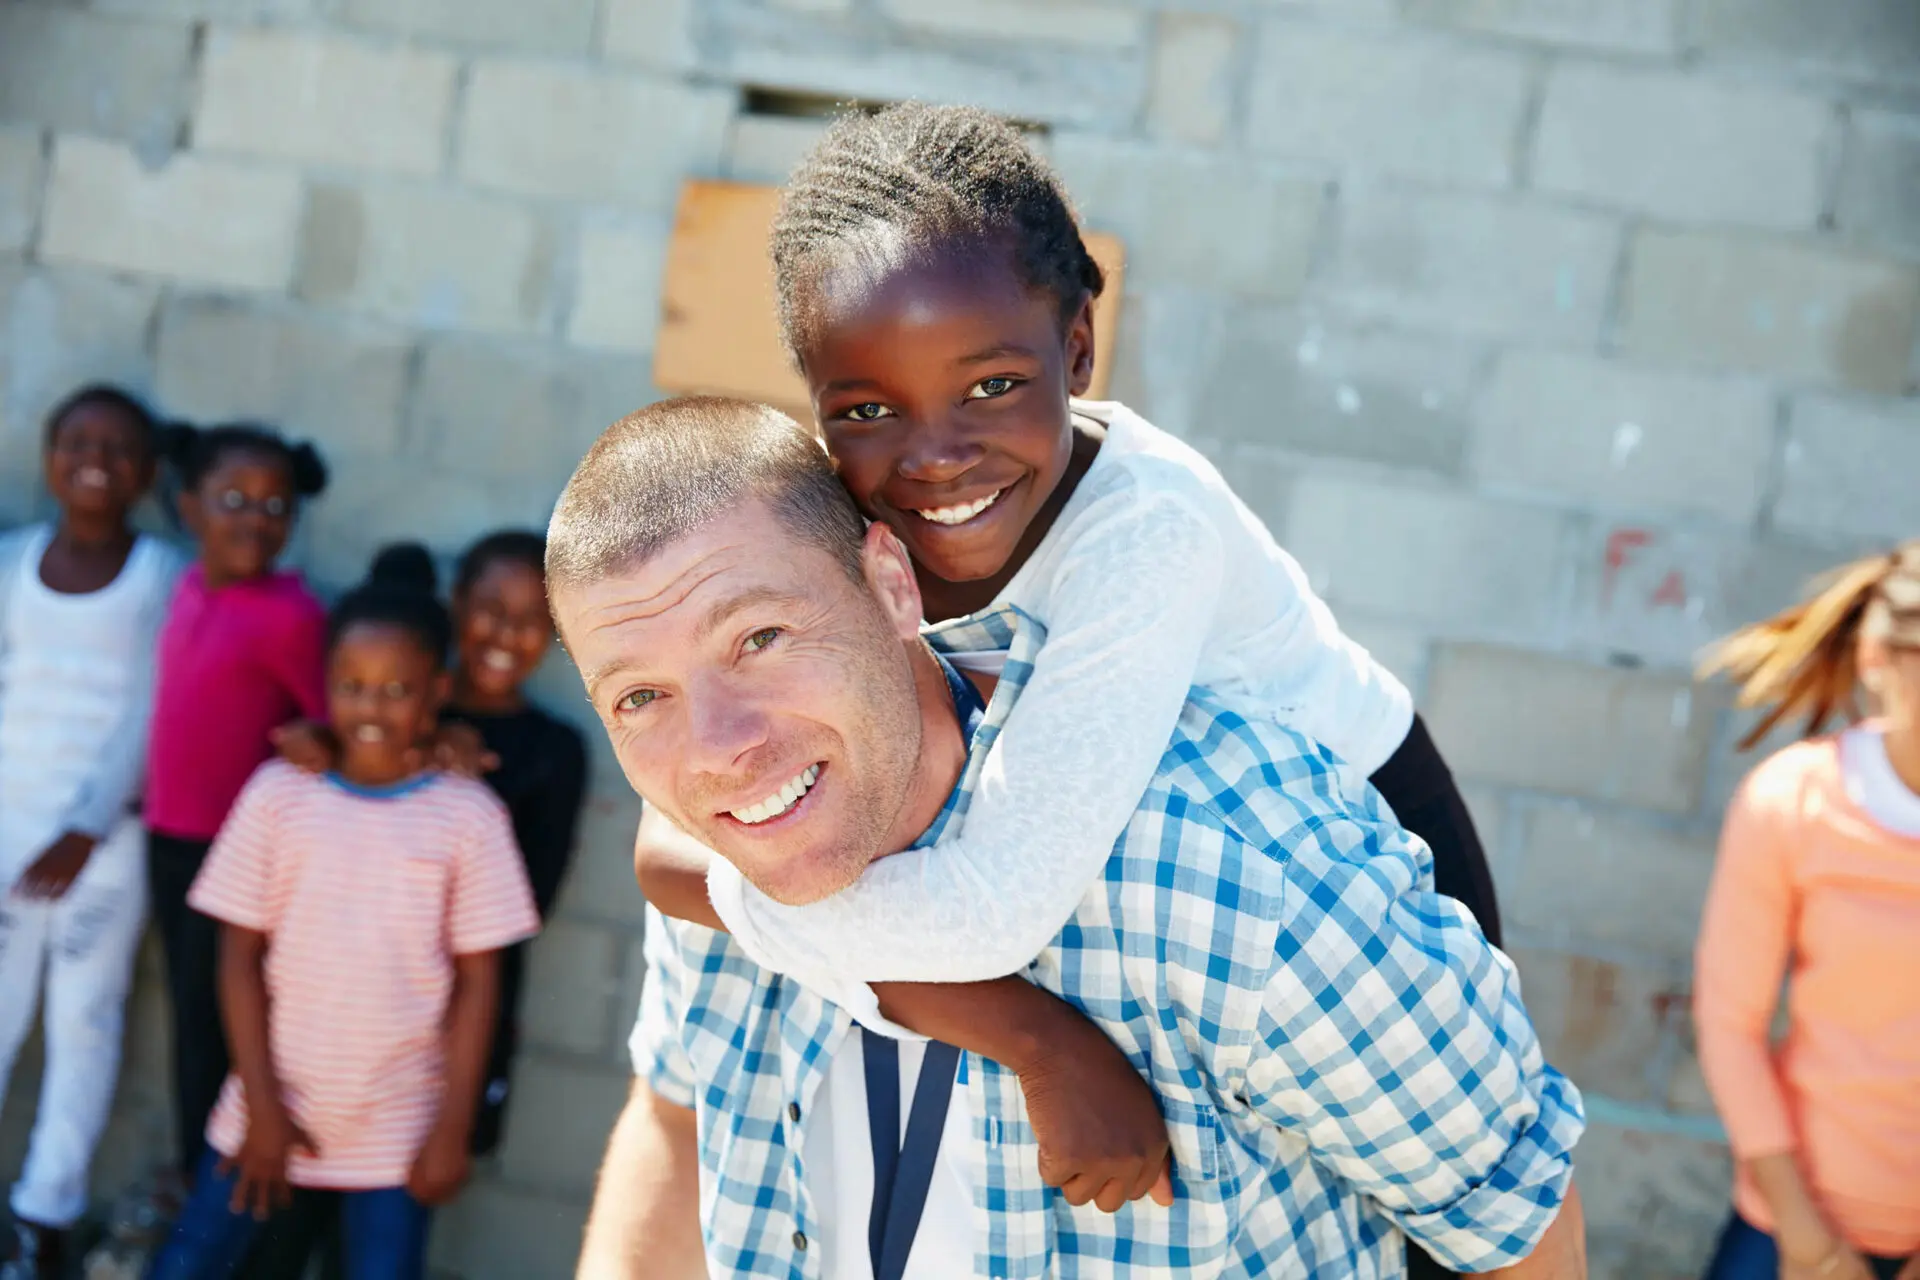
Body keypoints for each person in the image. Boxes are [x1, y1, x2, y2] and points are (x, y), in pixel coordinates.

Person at [637, 102, 1503, 1280]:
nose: (935, 454)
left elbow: (990, 907)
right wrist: (1033, 1035)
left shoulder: (1147, 532)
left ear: (1080, 349)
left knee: (1435, 1236)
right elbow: (667, 840)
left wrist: (752, 900)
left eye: (992, 384)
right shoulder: (843, 520)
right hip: (1093, 899)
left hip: (1374, 854)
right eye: (868, 410)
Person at [556, 396, 1587, 1279]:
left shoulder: (1236, 873)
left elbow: (1516, 1232)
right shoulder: (742, 846)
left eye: (760, 637)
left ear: (893, 584)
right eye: (641, 696)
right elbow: (676, 1123)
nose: (721, 749)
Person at [145, 546, 539, 1280]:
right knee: (191, 1262)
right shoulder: (278, 795)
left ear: (437, 691)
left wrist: (451, 1129)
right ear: (325, 685)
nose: (372, 707)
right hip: (264, 1109)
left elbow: (479, 982)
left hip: (399, 1129)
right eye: (352, 686)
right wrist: (263, 1109)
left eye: (397, 689)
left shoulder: (469, 817)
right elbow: (237, 959)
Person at [0, 385, 188, 1280]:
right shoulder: (12, 562)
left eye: (118, 448)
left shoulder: (161, 577)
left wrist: (86, 827)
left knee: (83, 1020)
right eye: (76, 442)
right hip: (8, 827)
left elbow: (153, 709)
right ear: (48, 457)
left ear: (147, 474)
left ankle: (44, 1217)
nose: (95, 461)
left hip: (101, 844)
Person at [1694, 543, 1920, 1280]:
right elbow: (1730, 1024)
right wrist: (1806, 1240)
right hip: (1792, 1224)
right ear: (1879, 658)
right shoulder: (1790, 802)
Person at [144, 422, 330, 1195]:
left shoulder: (290, 614)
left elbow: (333, 722)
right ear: (189, 506)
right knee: (189, 1017)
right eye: (234, 500)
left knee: (221, 1023)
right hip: (170, 841)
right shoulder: (190, 586)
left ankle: (223, 1191)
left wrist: (316, 742)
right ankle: (201, 1177)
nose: (255, 519)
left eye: (274, 506)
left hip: (235, 862)